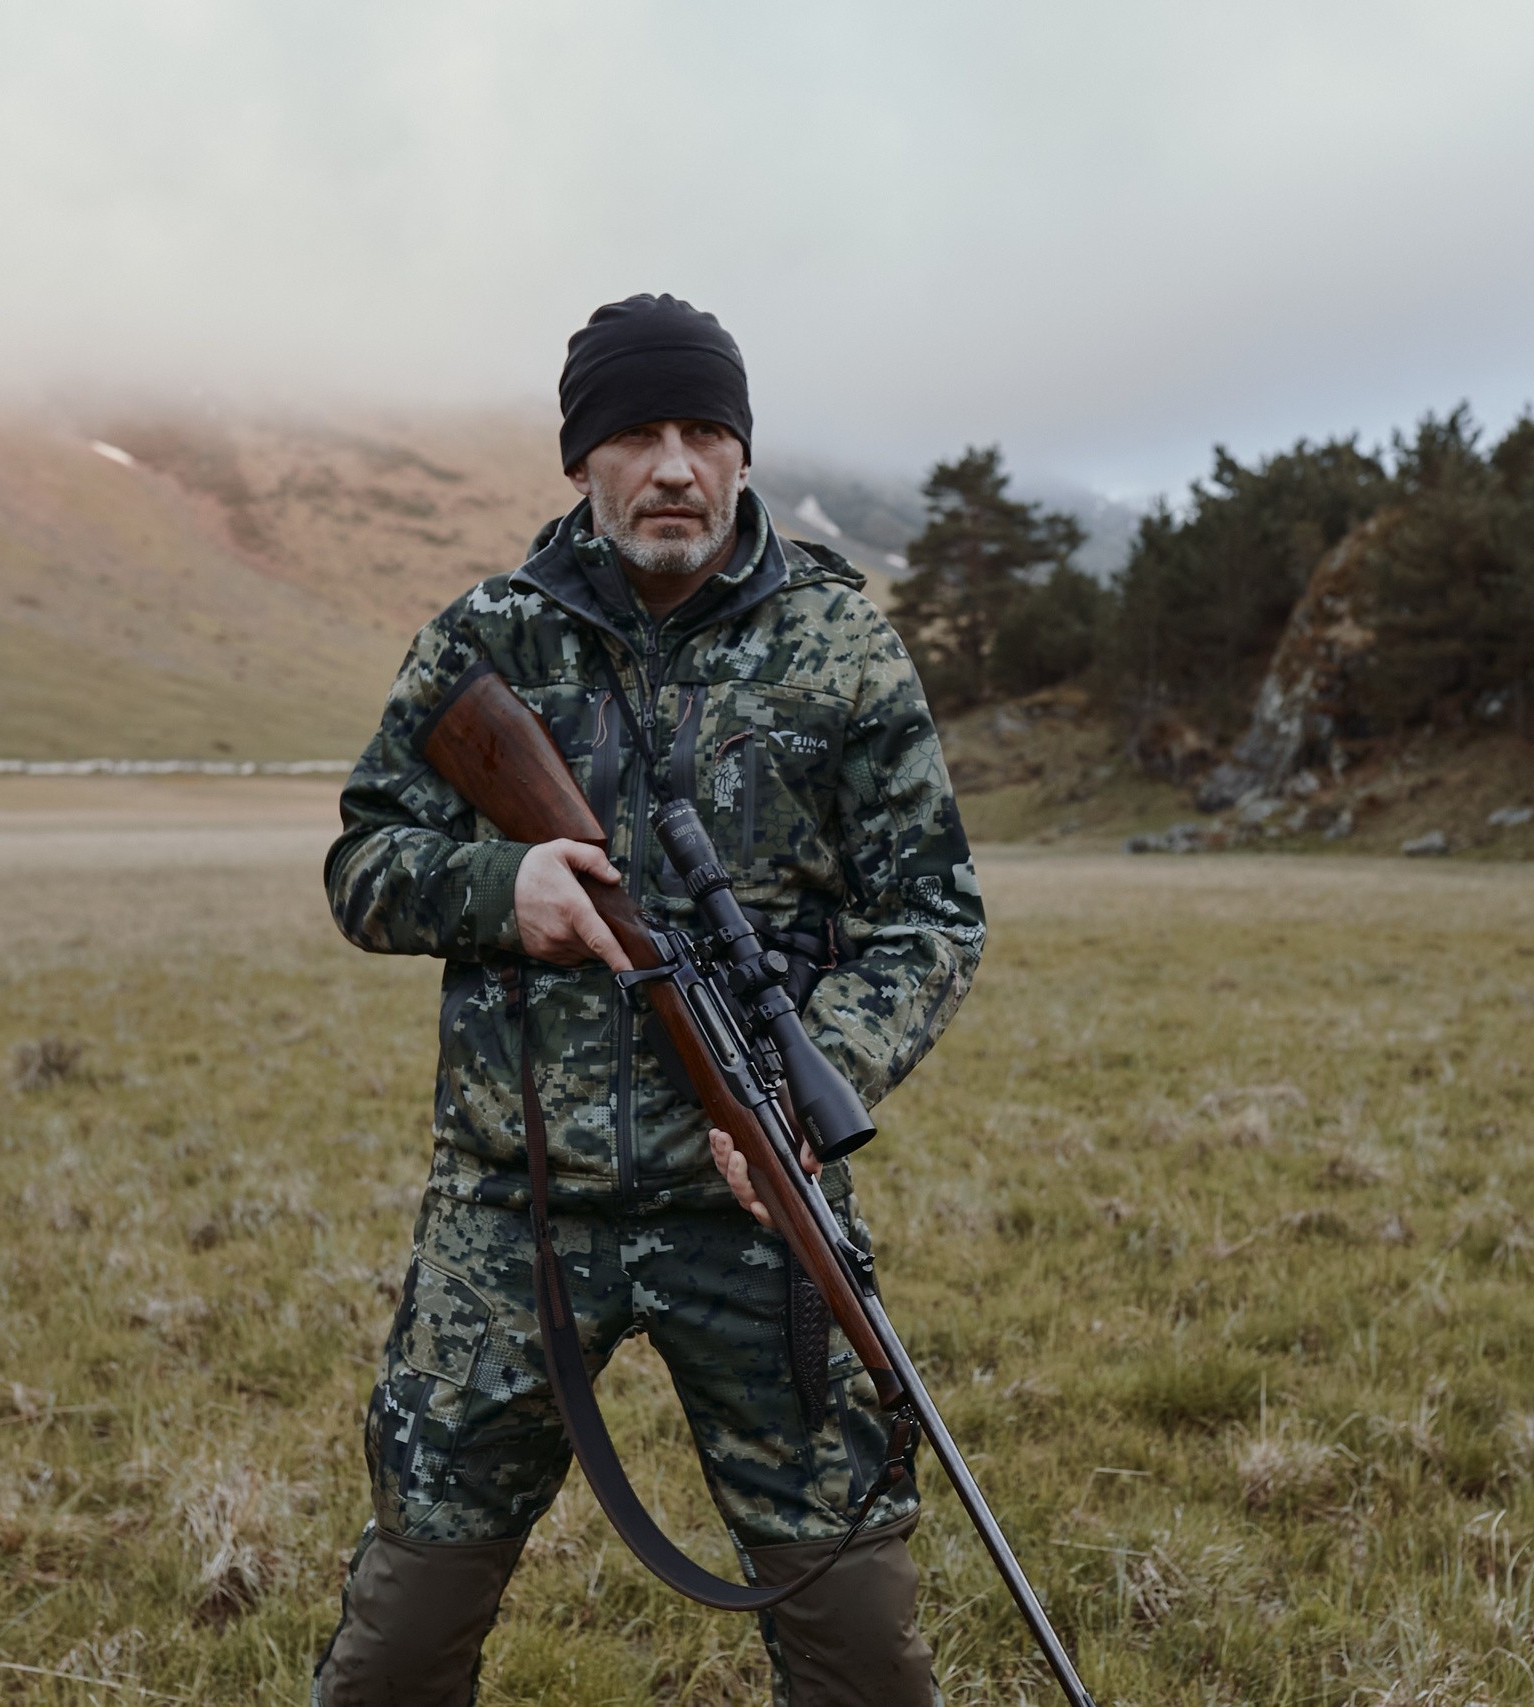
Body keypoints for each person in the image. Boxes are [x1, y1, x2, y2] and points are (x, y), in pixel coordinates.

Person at [313, 294, 984, 1707]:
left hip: (755, 1206)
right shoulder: (484, 643)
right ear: (582, 464)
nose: (674, 466)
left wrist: (808, 1091)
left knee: (858, 1634)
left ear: (742, 456)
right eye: (636, 434)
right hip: (516, 1211)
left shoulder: (843, 647)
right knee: (408, 1623)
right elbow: (364, 866)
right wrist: (508, 896)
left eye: (704, 433)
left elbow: (930, 914)